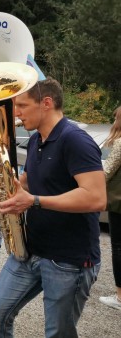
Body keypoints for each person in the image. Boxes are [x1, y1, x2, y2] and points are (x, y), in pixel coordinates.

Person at [0, 77, 106, 337]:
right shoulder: (36, 140)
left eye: (22, 105)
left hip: (68, 260)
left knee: (57, 333)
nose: (16, 113)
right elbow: (28, 180)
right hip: (31, 251)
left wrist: (34, 201)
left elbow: (96, 197)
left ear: (46, 103)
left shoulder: (75, 140)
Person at [99, 106, 121, 310]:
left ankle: (120, 296)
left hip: (119, 204)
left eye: (116, 118)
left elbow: (106, 173)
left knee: (118, 247)